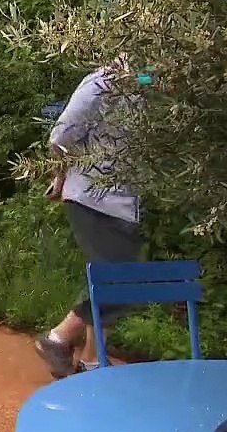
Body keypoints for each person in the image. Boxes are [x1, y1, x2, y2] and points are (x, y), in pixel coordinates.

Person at [34, 60, 144, 378]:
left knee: (112, 276)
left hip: (124, 201)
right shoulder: (100, 83)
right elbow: (61, 134)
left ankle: (93, 361)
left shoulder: (145, 83)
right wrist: (60, 176)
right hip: (92, 196)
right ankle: (57, 337)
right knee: (117, 278)